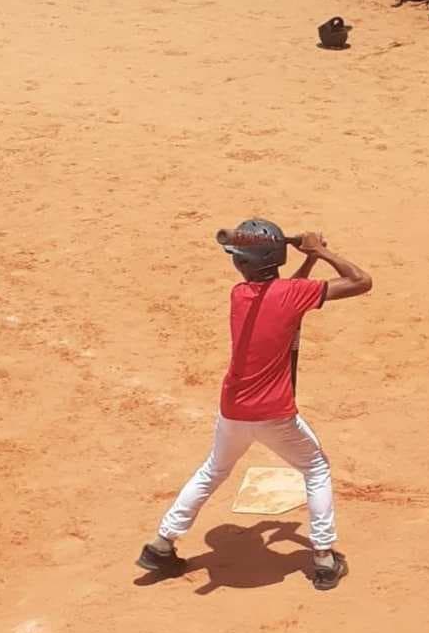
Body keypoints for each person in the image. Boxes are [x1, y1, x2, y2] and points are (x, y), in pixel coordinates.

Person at [136, 219, 372, 591]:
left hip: (232, 411)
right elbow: (361, 281)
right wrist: (319, 252)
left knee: (213, 470)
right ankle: (325, 558)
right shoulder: (289, 294)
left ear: (243, 264)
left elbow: (285, 293)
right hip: (274, 415)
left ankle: (162, 542)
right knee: (315, 468)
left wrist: (307, 261)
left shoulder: (240, 295)